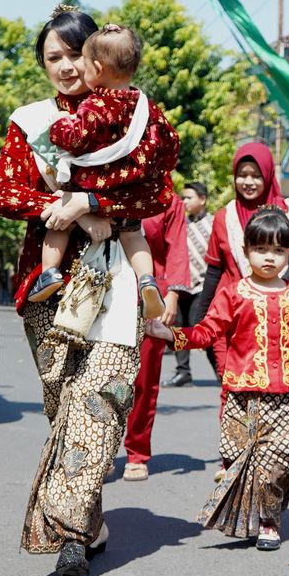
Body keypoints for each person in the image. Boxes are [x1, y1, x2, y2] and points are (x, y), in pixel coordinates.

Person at [0, 7, 163, 576]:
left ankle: (67, 535)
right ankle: (89, 519)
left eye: (74, 54)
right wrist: (60, 208)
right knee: (63, 404)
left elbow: (157, 191)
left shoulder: (133, 115)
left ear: (97, 58)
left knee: (99, 400)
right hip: (50, 284)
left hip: (115, 279)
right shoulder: (31, 121)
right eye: (52, 58)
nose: (65, 67)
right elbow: (4, 191)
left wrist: (93, 202)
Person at [147, 208, 289, 551]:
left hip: (285, 393)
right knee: (240, 456)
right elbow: (208, 332)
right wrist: (172, 335)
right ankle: (257, 515)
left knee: (282, 459)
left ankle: (270, 520)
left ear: (288, 254)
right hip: (242, 395)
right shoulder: (234, 292)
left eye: (279, 250)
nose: (270, 258)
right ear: (246, 250)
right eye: (261, 249)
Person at [28, 20, 179, 323]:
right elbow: (171, 144)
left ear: (96, 68)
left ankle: (49, 273)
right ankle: (147, 280)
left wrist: (58, 128)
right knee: (133, 234)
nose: (70, 67)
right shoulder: (145, 106)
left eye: (78, 59)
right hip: (127, 192)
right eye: (55, 58)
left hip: (88, 184)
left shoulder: (95, 104)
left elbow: (76, 137)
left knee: (60, 224)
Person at [192, 143, 289, 384]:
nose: (248, 182)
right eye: (242, 175)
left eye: (256, 176)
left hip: (274, 315)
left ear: (267, 175)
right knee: (231, 385)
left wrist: (273, 289)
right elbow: (214, 270)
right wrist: (201, 317)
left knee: (271, 384)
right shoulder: (225, 217)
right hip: (230, 315)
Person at [122, 192, 190, 481]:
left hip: (151, 298)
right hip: (106, 294)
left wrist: (172, 294)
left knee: (144, 382)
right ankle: (100, 450)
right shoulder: (107, 185)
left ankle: (137, 453)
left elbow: (177, 249)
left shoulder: (168, 200)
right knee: (101, 379)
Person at [165, 181, 214, 387]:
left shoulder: (213, 224)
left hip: (202, 287)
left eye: (189, 197)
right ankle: (183, 371)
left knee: (202, 329)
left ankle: (221, 370)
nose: (184, 201)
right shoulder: (181, 224)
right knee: (177, 328)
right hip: (180, 286)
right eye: (183, 197)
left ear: (202, 199)